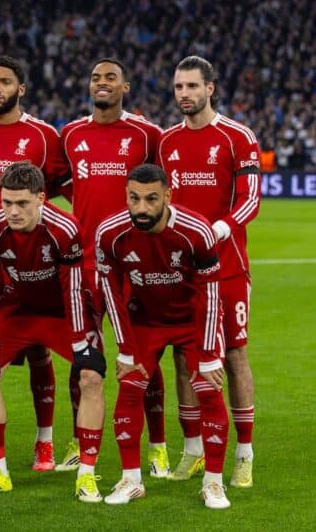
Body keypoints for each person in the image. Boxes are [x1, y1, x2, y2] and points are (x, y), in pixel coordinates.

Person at [96, 164, 231, 509]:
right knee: (129, 388)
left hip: (192, 321)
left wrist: (209, 353)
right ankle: (131, 480)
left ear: (168, 196)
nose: (141, 208)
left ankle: (214, 483)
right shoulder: (110, 233)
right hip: (144, 323)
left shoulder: (196, 231)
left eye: (151, 199)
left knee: (208, 388)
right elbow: (110, 292)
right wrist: (125, 348)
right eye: (134, 198)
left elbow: (211, 293)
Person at [0, 162, 106, 500]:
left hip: (61, 313)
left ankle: (87, 474)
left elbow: (73, 287)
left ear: (42, 198)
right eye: (6, 203)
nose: (12, 212)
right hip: (18, 311)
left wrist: (78, 341)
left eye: (22, 204)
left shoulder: (64, 228)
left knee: (91, 375)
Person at [59, 58, 168, 478]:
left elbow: (163, 185)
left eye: (110, 78)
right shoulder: (71, 134)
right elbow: (53, 180)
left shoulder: (146, 134)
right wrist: (82, 199)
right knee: (83, 355)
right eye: (95, 78)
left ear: (125, 87)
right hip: (85, 262)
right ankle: (76, 439)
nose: (101, 83)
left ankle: (157, 446)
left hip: (135, 264)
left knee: (145, 355)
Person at [0, 55, 66, 472]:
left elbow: (56, 191)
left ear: (21, 88)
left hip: (30, 265)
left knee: (40, 352)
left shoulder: (43, 136)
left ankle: (45, 442)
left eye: (5, 81)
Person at [158, 55, 260, 488]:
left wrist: (219, 228)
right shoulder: (166, 143)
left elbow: (251, 199)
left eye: (193, 87)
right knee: (184, 360)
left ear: (211, 88)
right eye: (179, 87)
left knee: (234, 357)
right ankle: (194, 450)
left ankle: (244, 453)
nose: (185, 94)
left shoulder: (238, 137)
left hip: (228, 269)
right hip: (183, 273)